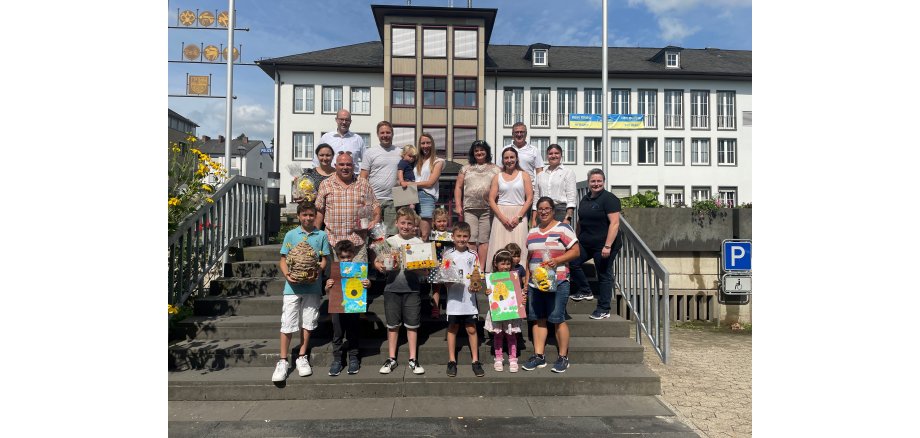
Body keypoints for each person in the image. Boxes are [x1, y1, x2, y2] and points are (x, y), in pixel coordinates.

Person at [272, 201, 331, 382]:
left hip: (312, 286)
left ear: (316, 216)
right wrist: (287, 274)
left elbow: (324, 259)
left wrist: (318, 269)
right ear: (298, 216)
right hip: (292, 287)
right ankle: (282, 360)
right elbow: (283, 259)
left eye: (311, 215)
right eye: (304, 215)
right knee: (288, 321)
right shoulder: (291, 235)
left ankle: (302, 356)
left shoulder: (321, 235)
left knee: (308, 320)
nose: (308, 218)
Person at [521, 197, 580, 374]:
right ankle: (539, 356)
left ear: (553, 210)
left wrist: (557, 260)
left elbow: (576, 251)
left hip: (559, 281)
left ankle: (563, 357)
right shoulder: (532, 232)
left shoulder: (563, 228)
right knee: (538, 318)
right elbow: (529, 259)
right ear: (537, 212)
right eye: (540, 209)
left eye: (547, 208)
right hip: (535, 284)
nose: (544, 212)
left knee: (557, 319)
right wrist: (526, 282)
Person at [374, 207, 427, 375]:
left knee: (412, 325)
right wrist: (381, 267)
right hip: (392, 289)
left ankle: (413, 358)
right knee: (392, 325)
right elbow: (377, 262)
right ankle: (392, 358)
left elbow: (425, 271)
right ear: (396, 223)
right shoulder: (389, 241)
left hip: (412, 290)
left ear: (415, 225)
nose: (405, 226)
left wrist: (418, 268)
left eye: (409, 223)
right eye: (402, 223)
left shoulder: (419, 243)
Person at [569, 169, 623, 320]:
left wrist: (607, 246)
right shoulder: (585, 199)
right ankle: (585, 290)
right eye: (593, 181)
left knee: (604, 275)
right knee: (572, 261)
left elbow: (614, 224)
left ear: (604, 182)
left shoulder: (609, 199)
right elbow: (581, 221)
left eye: (599, 181)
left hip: (604, 245)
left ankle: (604, 308)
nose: (596, 184)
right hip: (586, 243)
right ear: (588, 183)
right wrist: (575, 239)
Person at [315, 152, 381, 263]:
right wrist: (315, 236)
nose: (345, 167)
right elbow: (320, 212)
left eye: (348, 164)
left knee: (358, 279)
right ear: (335, 166)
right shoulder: (325, 184)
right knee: (336, 279)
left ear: (354, 166)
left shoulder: (363, 184)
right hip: (333, 243)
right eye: (341, 164)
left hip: (357, 243)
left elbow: (375, 206)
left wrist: (375, 220)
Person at [441, 222, 485, 377]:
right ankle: (452, 360)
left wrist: (477, 285)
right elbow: (444, 276)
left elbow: (478, 275)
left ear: (469, 237)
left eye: (465, 236)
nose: (461, 239)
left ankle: (475, 360)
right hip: (453, 299)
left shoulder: (473, 255)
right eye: (458, 236)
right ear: (452, 237)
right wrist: (447, 281)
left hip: (469, 300)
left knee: (471, 329)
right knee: (452, 329)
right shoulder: (447, 254)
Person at [326, 240, 370, 376]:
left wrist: (368, 284)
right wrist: (327, 286)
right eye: (343, 257)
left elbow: (365, 287)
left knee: (353, 331)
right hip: (337, 307)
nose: (346, 259)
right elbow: (328, 291)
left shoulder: (358, 269)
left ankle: (353, 358)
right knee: (337, 333)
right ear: (338, 257)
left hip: (353, 307)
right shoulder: (334, 270)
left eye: (348, 256)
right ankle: (337, 359)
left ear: (353, 255)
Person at [454, 140, 500, 271]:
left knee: (484, 240)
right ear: (473, 153)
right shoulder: (465, 168)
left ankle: (481, 269)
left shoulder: (496, 169)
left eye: (482, 150)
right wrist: (458, 205)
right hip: (470, 208)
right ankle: (472, 267)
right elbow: (458, 187)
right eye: (476, 151)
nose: (479, 153)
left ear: (487, 152)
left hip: (488, 209)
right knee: (471, 239)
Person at [485, 146, 533, 270]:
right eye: (506, 158)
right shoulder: (497, 177)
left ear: (516, 159)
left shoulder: (524, 175)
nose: (509, 160)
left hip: (519, 215)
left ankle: (520, 278)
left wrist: (519, 217)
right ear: (503, 160)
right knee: (499, 245)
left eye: (512, 157)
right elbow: (491, 199)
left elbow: (529, 199)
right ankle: (496, 280)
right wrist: (502, 218)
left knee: (520, 246)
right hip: (501, 215)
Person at [483, 249, 524, 373]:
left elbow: (517, 294)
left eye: (508, 264)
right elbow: (490, 295)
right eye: (503, 263)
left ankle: (513, 358)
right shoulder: (492, 278)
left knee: (511, 336)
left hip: (511, 313)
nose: (505, 266)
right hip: (497, 312)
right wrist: (487, 292)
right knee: (498, 335)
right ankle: (498, 358)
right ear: (496, 264)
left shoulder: (514, 277)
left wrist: (522, 297)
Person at [359, 121, 401, 236]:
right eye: (382, 132)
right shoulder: (370, 152)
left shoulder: (400, 152)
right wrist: (364, 199)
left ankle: (389, 255)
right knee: (373, 234)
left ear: (392, 134)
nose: (385, 135)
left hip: (392, 200)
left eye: (388, 132)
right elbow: (363, 177)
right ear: (378, 134)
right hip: (374, 200)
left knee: (391, 234)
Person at [531, 144, 576, 227]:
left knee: (558, 238)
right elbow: (536, 198)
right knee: (542, 238)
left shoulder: (568, 172)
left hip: (560, 211)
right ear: (547, 156)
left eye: (556, 153)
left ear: (561, 155)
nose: (553, 156)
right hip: (542, 212)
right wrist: (533, 219)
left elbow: (571, 198)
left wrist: (568, 218)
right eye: (550, 153)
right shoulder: (541, 174)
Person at [497, 122, 543, 202]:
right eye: (516, 132)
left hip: (528, 191)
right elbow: (499, 170)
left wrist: (538, 191)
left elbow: (540, 173)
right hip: (509, 190)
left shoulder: (534, 150)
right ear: (512, 134)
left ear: (526, 134)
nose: (519, 134)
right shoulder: (505, 149)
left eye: (522, 132)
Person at [413, 133, 445, 240]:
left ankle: (424, 255)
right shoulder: (415, 160)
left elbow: (430, 182)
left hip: (426, 196)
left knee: (424, 234)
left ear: (432, 144)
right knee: (412, 231)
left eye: (428, 143)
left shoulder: (438, 161)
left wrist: (410, 184)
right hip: (411, 195)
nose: (425, 146)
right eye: (423, 143)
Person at [428, 208, 453, 319]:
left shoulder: (451, 235)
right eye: (439, 221)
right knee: (436, 287)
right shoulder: (432, 234)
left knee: (449, 286)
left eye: (444, 221)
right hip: (436, 263)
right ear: (434, 222)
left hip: (448, 263)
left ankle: (451, 308)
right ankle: (435, 308)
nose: (442, 223)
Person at [396, 144, 418, 210]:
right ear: (404, 154)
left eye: (413, 157)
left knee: (412, 204)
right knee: (404, 204)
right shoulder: (403, 162)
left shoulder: (410, 163)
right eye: (410, 156)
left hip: (411, 183)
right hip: (406, 182)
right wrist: (401, 181)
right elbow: (400, 172)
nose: (411, 158)